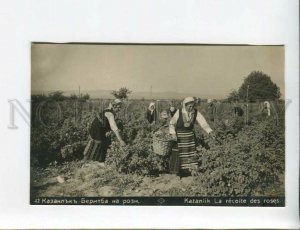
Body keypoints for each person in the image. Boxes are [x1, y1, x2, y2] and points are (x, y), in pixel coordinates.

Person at [169, 97, 215, 176]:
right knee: (179, 154)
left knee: (190, 153)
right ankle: (179, 172)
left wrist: (210, 132)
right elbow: (171, 123)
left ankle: (189, 171)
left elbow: (203, 123)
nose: (191, 108)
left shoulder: (195, 112)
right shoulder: (179, 112)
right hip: (179, 137)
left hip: (189, 137)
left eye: (192, 106)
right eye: (189, 106)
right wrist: (173, 133)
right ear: (185, 105)